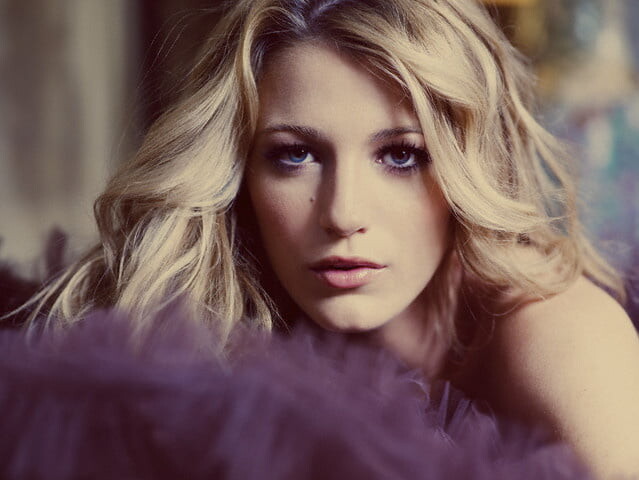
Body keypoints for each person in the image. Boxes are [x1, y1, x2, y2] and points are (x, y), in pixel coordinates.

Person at [15, 0, 639, 477]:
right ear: (240, 172)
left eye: (401, 155)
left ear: (468, 168)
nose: (342, 215)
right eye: (295, 155)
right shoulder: (211, 326)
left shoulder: (557, 337)